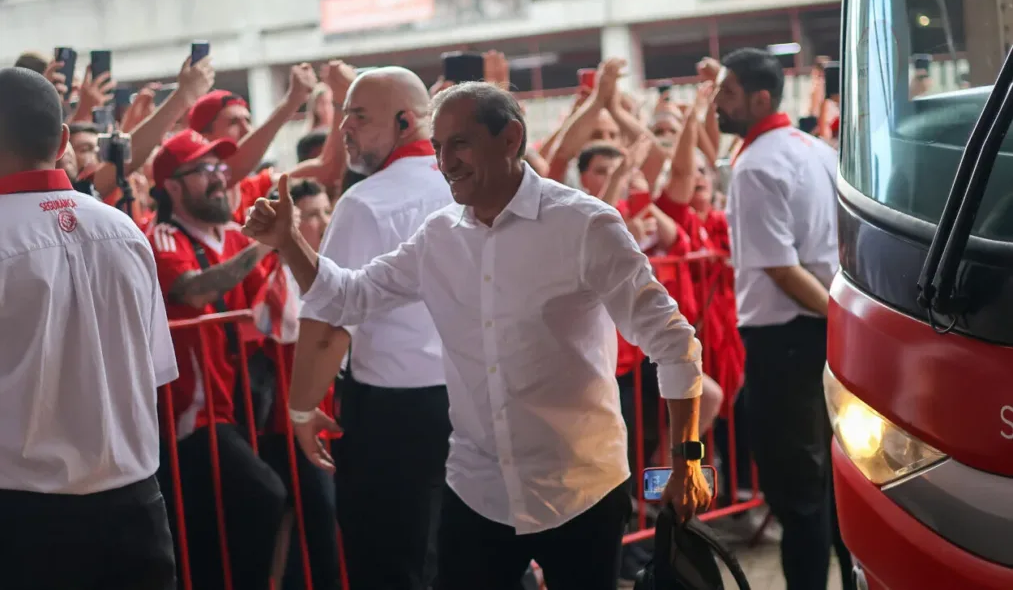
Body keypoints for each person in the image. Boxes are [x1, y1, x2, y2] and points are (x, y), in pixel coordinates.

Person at [243, 81, 712, 590]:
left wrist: (687, 459)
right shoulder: (438, 236)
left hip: (580, 488)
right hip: (477, 491)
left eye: (460, 144)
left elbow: (673, 342)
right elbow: (347, 297)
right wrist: (289, 241)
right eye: (438, 146)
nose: (445, 162)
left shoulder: (585, 225)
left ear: (510, 138)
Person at [0, 67, 178, 589]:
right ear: (62, 142)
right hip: (137, 509)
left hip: (25, 522)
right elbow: (154, 371)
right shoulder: (125, 230)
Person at [286, 67, 454, 589]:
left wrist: (301, 408)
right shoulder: (470, 186)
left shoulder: (367, 202)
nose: (344, 129)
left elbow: (329, 318)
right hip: (474, 399)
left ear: (405, 122)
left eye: (359, 116)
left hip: (396, 416)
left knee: (389, 564)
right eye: (344, 116)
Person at [711, 48, 853, 590]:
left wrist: (838, 315)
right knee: (831, 482)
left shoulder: (756, 166)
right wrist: (841, 319)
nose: (717, 102)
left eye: (727, 92)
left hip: (786, 342)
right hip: (820, 334)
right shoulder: (816, 150)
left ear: (760, 99)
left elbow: (780, 268)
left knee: (799, 495)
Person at [147, 130, 289, 590]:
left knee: (215, 533)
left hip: (240, 403)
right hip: (193, 417)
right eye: (203, 170)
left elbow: (270, 303)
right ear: (172, 186)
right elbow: (194, 290)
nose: (219, 178)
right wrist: (266, 243)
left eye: (220, 168)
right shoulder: (162, 236)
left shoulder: (231, 235)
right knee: (265, 495)